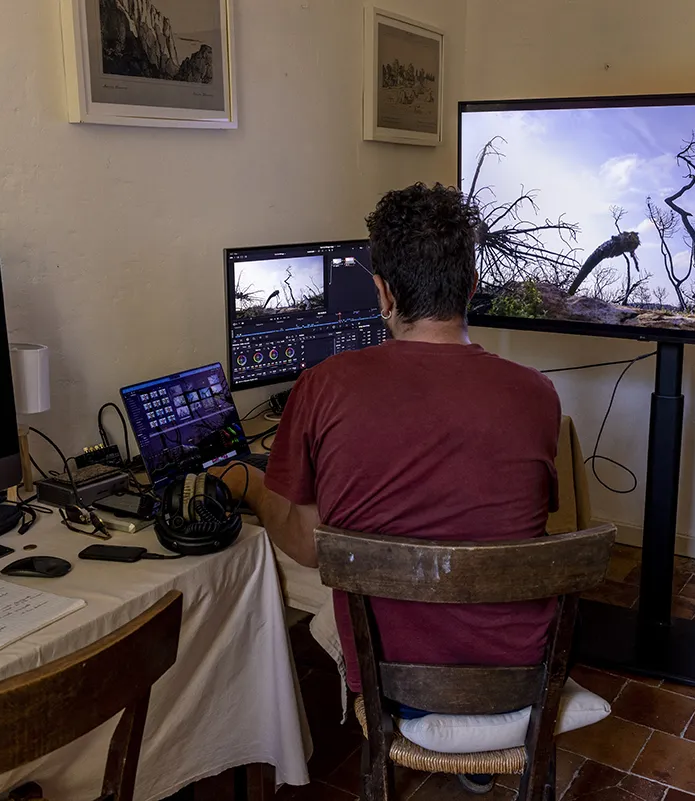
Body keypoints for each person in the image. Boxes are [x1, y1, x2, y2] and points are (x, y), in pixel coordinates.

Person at [214, 182, 562, 795]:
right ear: (472, 288)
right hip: (519, 675)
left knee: (319, 594)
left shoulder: (322, 386)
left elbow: (303, 543)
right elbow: (525, 525)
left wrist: (246, 482)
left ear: (383, 291)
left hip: (396, 685)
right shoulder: (537, 393)